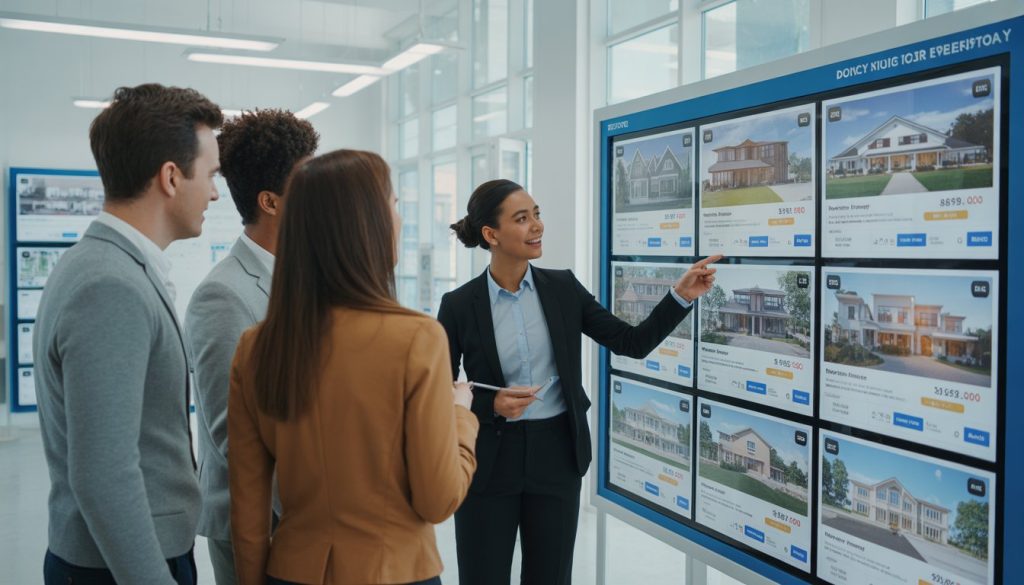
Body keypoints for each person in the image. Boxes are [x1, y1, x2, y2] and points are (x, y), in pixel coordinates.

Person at [438, 179, 720, 584]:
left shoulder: (563, 288)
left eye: (537, 214)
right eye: (522, 218)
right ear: (491, 234)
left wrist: (679, 296)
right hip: (487, 461)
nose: (537, 226)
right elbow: (439, 392)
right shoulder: (459, 305)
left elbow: (630, 342)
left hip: (556, 456)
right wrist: (490, 406)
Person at [227, 149, 479, 585]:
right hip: (395, 572)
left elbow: (247, 515)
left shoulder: (257, 346)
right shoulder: (417, 338)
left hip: (291, 571)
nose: (399, 220)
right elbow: (438, 499)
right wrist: (461, 415)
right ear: (368, 224)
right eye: (395, 205)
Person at [34, 83, 223, 585]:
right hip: (122, 565)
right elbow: (104, 475)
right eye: (210, 174)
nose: (214, 192)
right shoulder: (109, 285)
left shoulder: (106, 266)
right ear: (169, 177)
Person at [184, 109, 319, 585]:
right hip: (262, 525)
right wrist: (320, 511)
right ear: (270, 201)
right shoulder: (221, 296)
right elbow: (234, 437)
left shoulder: (312, 277)